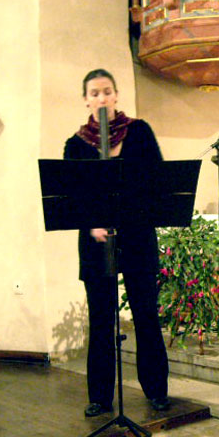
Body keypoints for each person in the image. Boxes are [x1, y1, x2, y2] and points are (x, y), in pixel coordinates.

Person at [64, 69, 170, 417]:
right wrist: (90, 222)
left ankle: (156, 391)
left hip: (137, 235)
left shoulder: (139, 132)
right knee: (101, 320)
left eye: (107, 91)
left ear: (116, 96)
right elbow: (71, 195)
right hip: (97, 242)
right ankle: (99, 397)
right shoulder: (76, 144)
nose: (101, 98)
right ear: (86, 100)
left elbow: (157, 179)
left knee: (146, 316)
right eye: (94, 93)